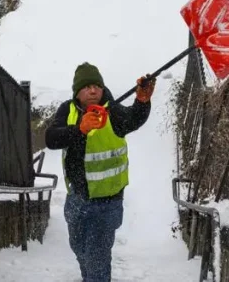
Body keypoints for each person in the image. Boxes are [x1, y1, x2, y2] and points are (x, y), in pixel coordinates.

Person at [45, 62, 155, 282]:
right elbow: (51, 139)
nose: (93, 90)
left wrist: (142, 101)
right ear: (77, 91)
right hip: (76, 198)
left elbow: (133, 119)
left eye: (97, 86)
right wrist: (79, 129)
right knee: (79, 249)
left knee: (97, 257)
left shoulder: (112, 111)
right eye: (87, 87)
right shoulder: (67, 110)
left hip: (108, 203)